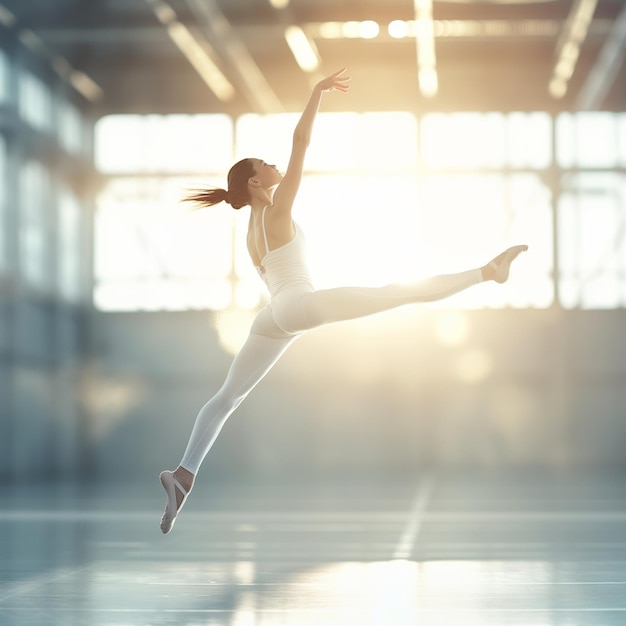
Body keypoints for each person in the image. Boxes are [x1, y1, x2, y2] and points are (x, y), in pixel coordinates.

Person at [159, 68, 528, 534]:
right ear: (255, 183)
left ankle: (184, 475)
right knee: (398, 294)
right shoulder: (275, 209)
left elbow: (281, 248)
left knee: (227, 397)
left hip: (272, 316)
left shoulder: (251, 229)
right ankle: (486, 273)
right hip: (297, 305)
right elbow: (301, 144)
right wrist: (315, 94)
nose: (274, 167)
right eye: (265, 166)